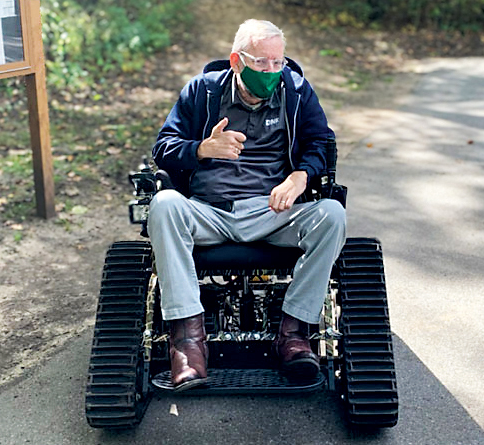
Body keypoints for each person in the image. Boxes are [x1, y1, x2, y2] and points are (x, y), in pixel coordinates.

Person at [148, 19, 347, 392]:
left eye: (278, 63)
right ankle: (188, 344)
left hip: (274, 212)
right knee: (163, 204)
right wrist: (201, 149)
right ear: (237, 60)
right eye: (261, 63)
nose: (271, 72)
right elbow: (163, 148)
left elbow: (321, 142)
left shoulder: (297, 91)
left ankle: (293, 334)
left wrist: (300, 176)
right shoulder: (203, 92)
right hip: (209, 210)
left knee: (332, 214)